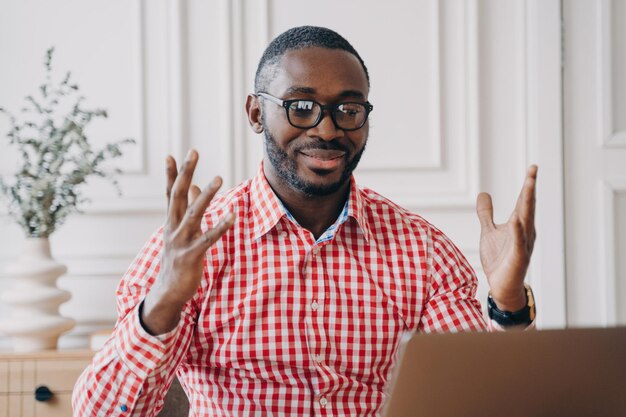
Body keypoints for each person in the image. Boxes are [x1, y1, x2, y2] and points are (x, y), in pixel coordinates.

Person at [73, 26, 537, 416]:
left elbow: (487, 402)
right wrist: (163, 302)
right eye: (301, 106)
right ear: (256, 113)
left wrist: (508, 300)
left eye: (348, 110)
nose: (328, 128)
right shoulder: (192, 247)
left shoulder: (423, 251)